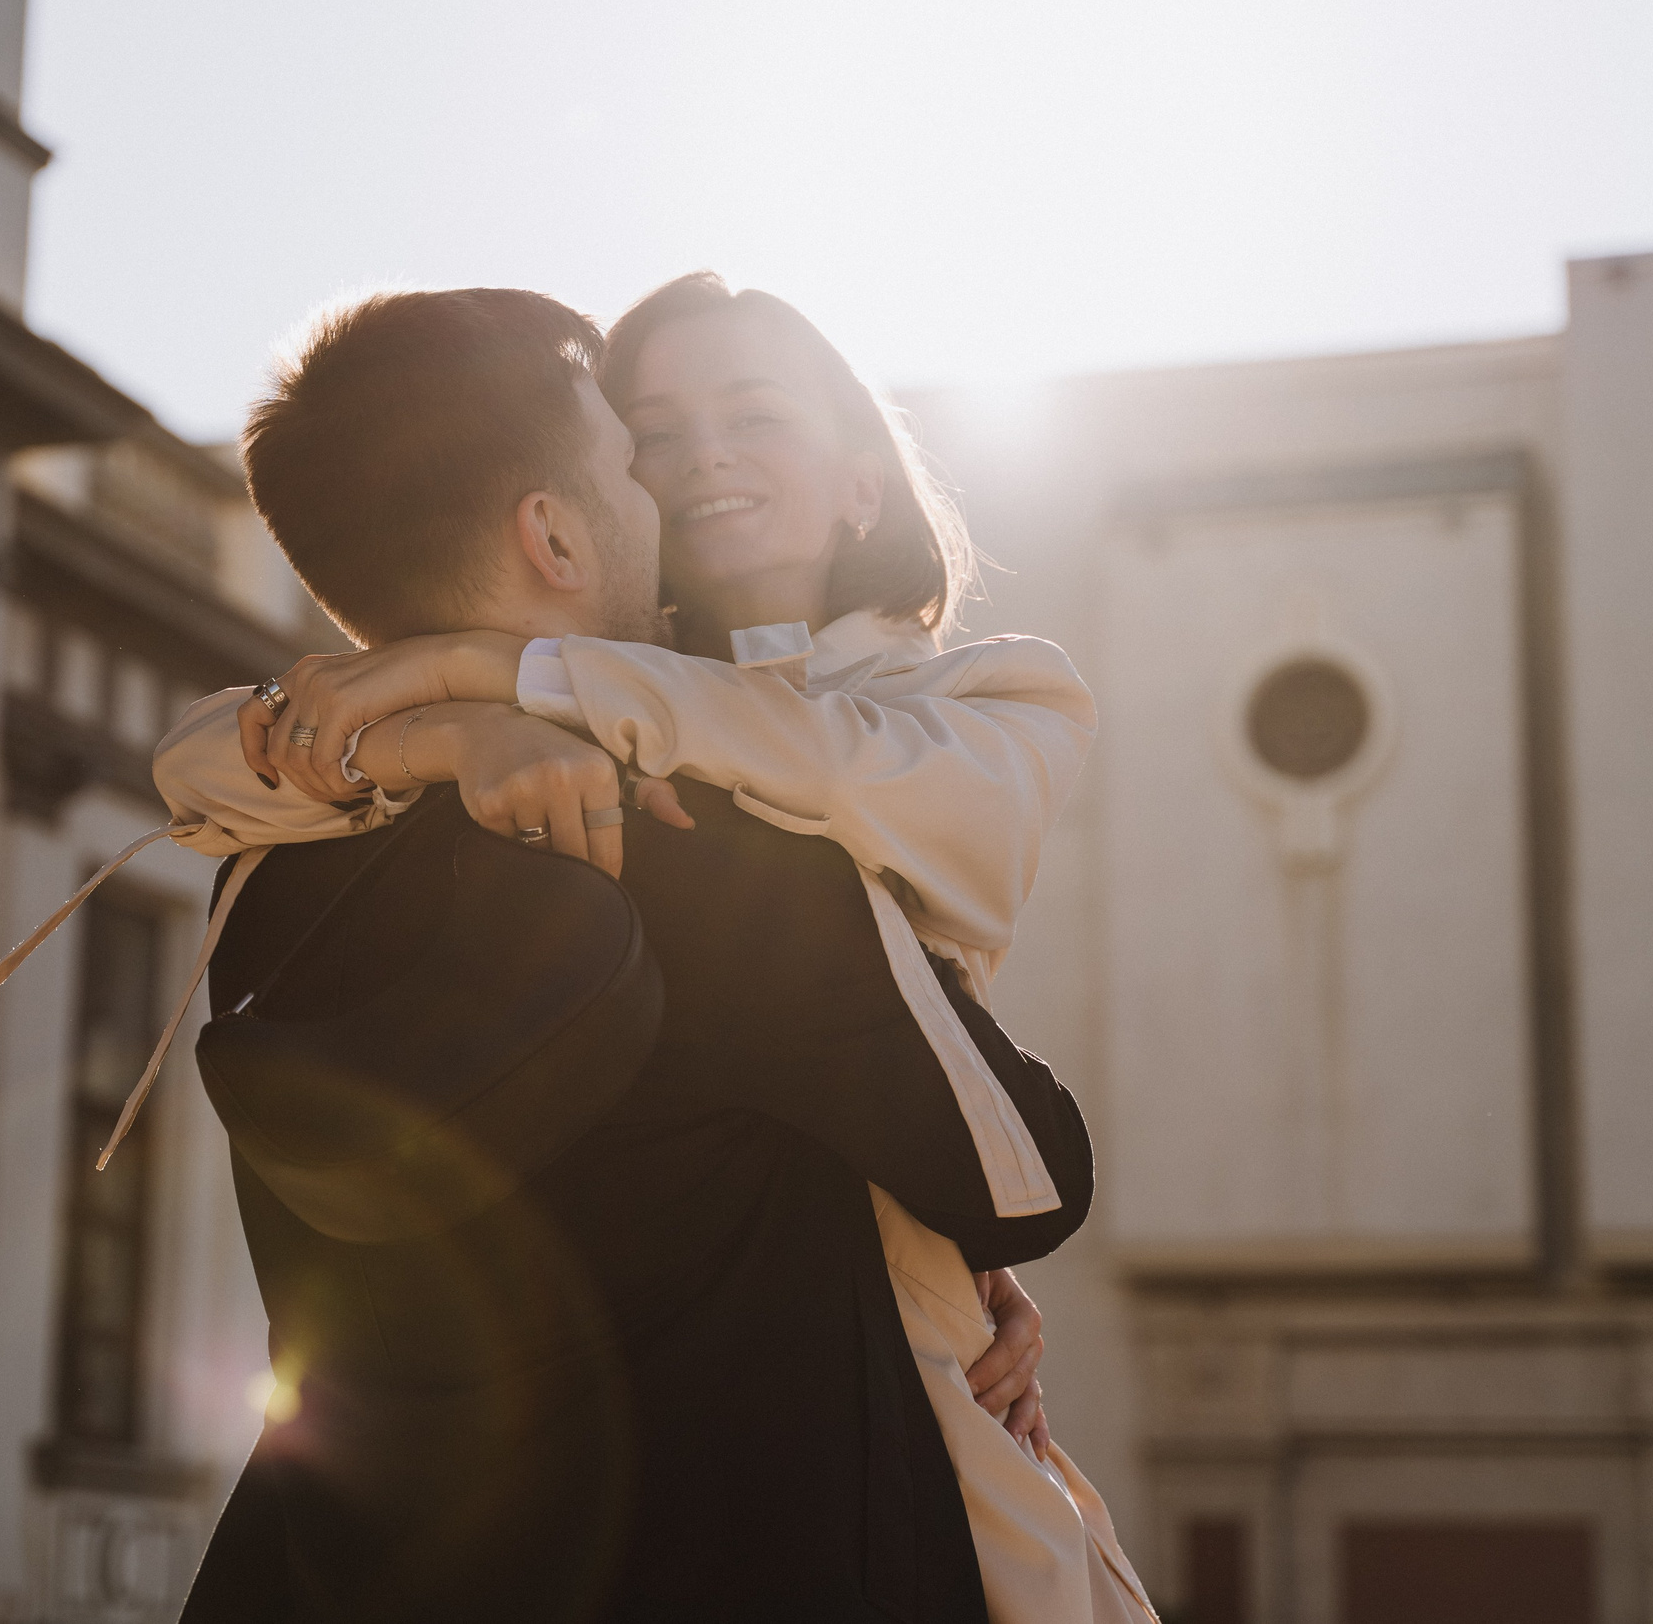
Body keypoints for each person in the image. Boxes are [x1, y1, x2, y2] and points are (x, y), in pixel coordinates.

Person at [154, 274, 1153, 1622]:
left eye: (756, 414)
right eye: (647, 439)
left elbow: (213, 762)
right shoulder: (695, 842)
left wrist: (470, 700)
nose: (693, 466)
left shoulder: (282, 870)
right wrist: (471, 721)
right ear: (557, 530)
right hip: (769, 1506)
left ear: (864, 480)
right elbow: (1026, 1171)